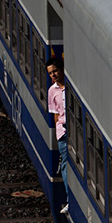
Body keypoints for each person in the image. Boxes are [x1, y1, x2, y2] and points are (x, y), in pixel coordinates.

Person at [46, 57, 69, 215]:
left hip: (74, 129)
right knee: (65, 165)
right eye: (50, 73)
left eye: (55, 71)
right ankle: (70, 199)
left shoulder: (70, 86)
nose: (53, 75)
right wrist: (58, 132)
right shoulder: (51, 91)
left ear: (61, 70)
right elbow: (55, 116)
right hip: (63, 131)